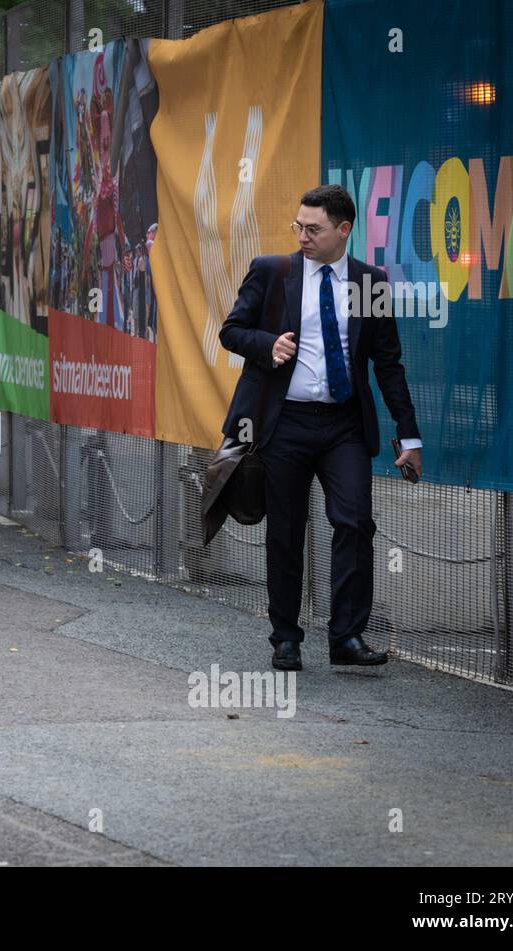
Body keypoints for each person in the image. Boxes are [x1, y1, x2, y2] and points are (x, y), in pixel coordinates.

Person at [219, 184, 422, 671]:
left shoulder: (369, 283)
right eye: (299, 227)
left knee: (355, 522)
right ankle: (286, 637)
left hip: (343, 427)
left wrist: (409, 435)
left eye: (314, 229)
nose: (303, 236)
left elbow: (388, 364)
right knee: (286, 531)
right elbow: (231, 330)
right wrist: (268, 345)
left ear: (343, 229)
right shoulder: (274, 272)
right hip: (283, 424)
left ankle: (346, 636)